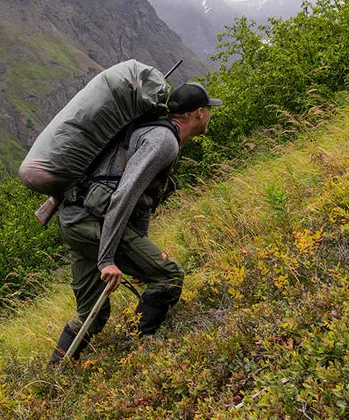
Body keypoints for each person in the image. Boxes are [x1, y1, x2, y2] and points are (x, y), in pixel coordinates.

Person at [49, 82, 222, 365]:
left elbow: (142, 203)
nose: (210, 116)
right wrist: (106, 260)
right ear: (199, 113)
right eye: (209, 110)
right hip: (92, 223)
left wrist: (140, 258)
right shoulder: (163, 142)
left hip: (75, 220)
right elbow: (124, 196)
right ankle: (137, 356)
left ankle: (52, 375)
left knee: (92, 312)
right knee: (169, 275)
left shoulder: (153, 132)